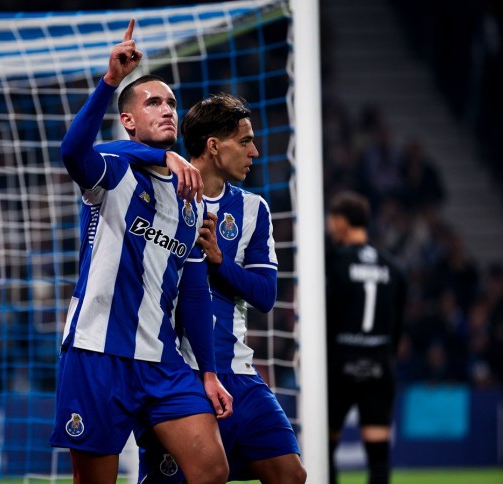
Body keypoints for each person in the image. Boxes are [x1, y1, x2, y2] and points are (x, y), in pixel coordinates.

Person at [48, 19, 233, 484]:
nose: (167, 109)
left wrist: (209, 372)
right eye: (153, 102)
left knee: (211, 470)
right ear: (128, 120)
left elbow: (195, 294)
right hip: (97, 353)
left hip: (162, 360)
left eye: (171, 103)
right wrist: (111, 81)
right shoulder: (113, 172)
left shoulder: (193, 201)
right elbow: (72, 150)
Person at [135, 93, 307, 483]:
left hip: (239, 374)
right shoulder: (159, 195)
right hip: (177, 373)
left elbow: (265, 295)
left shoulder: (253, 209)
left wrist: (219, 260)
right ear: (214, 146)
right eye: (245, 141)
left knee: (291, 475)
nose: (255, 152)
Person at [324, 190, 408, 484]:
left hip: (339, 364)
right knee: (378, 455)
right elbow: (397, 326)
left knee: (324, 450)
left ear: (342, 222)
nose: (329, 226)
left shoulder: (333, 263)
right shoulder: (393, 267)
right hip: (379, 365)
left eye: (332, 220)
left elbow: (325, 315)